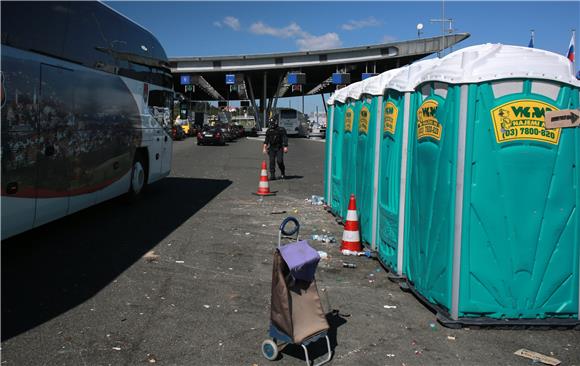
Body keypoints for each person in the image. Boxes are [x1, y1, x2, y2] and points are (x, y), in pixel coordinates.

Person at [263, 116, 288, 180]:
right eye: (271, 123)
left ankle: (282, 172)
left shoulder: (281, 129)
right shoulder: (269, 130)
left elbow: (285, 138)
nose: (272, 124)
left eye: (273, 123)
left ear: (276, 122)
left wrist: (285, 146)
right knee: (272, 161)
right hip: (272, 148)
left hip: (279, 147)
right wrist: (264, 148)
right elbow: (266, 140)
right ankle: (272, 175)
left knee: (279, 161)